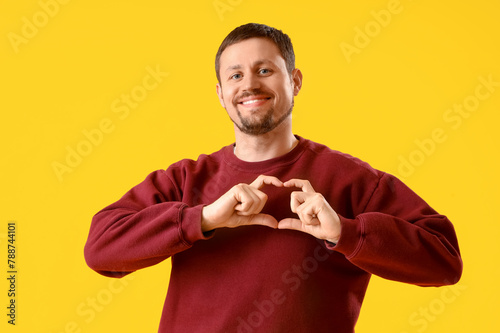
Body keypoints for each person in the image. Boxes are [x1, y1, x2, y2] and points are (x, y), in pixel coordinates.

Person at [84, 23, 463, 333]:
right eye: (235, 75)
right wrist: (201, 219)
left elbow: (445, 261)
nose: (249, 84)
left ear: (295, 81)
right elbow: (100, 249)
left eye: (265, 70)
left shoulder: (353, 181)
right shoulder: (186, 179)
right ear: (220, 93)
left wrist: (345, 232)